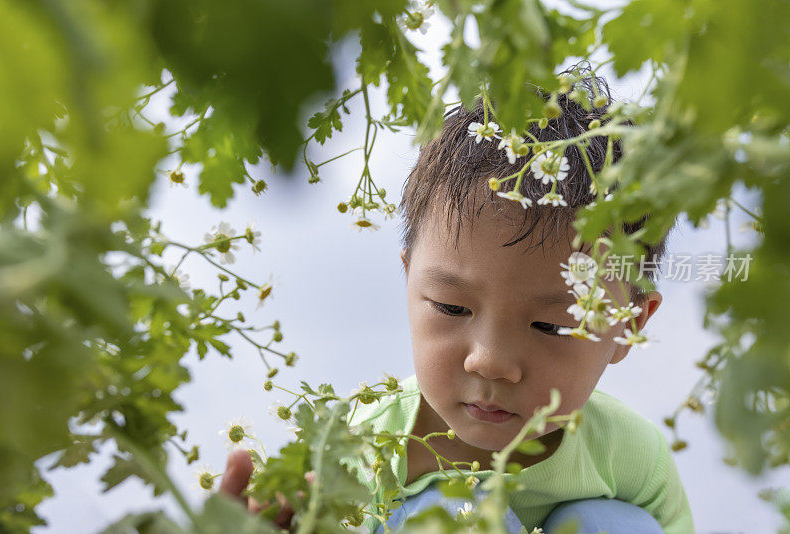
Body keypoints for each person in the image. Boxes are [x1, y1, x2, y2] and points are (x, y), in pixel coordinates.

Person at [219, 68, 695, 534]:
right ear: (408, 280)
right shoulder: (358, 451)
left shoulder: (630, 457)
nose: (490, 362)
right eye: (452, 308)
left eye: (551, 326)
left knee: (614, 523)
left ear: (629, 325)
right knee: (451, 513)